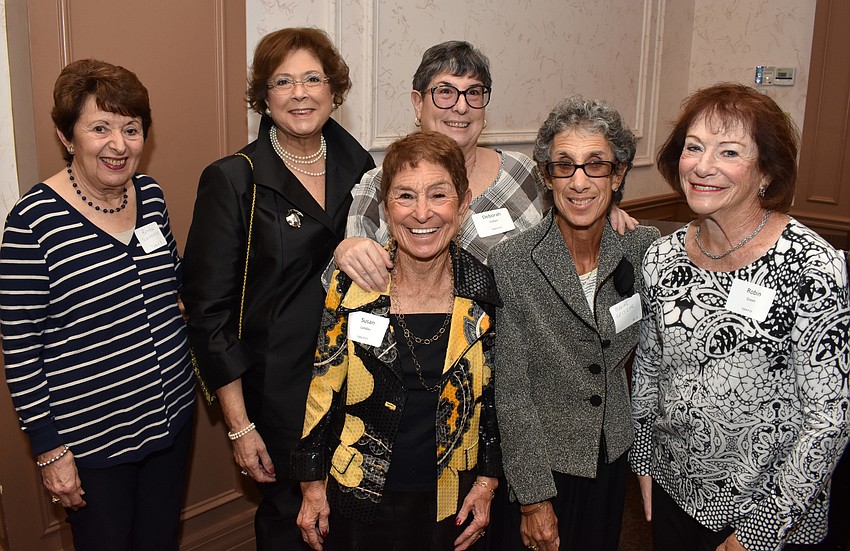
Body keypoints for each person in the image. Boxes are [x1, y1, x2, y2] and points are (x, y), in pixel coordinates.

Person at [630, 83, 850, 551]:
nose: (703, 166)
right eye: (694, 147)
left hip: (770, 514)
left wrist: (757, 531)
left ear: (767, 171)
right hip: (676, 494)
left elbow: (830, 419)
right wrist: (644, 461)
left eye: (729, 152)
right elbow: (649, 370)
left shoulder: (811, 266)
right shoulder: (663, 258)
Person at [181, 28, 375, 550]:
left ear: (334, 89)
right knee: (292, 523)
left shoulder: (362, 167)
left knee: (355, 518)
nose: (300, 93)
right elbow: (207, 313)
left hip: (361, 379)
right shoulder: (233, 179)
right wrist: (240, 426)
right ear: (263, 98)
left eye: (313, 78)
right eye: (282, 82)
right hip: (280, 395)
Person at [0, 59, 195, 550]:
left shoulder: (150, 195)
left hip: (171, 418)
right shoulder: (33, 222)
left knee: (158, 541)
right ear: (68, 137)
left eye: (131, 129)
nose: (119, 145)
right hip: (92, 441)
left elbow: (172, 284)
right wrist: (48, 450)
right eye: (100, 127)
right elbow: (20, 347)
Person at [292, 131, 502, 551]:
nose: (422, 213)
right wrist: (311, 485)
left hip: (451, 496)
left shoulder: (484, 292)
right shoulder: (352, 289)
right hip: (359, 492)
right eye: (405, 196)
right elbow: (322, 389)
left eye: (438, 195)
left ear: (462, 206)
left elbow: (495, 398)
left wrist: (487, 480)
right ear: (386, 208)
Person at [488, 96, 659, 551]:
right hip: (541, 465)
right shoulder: (514, 259)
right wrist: (534, 500)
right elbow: (511, 388)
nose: (579, 181)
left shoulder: (644, 248)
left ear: (618, 174)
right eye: (564, 166)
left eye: (595, 165)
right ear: (546, 176)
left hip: (611, 456)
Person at [333, 40, 637, 293]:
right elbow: (350, 282)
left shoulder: (523, 173)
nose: (461, 106)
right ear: (417, 103)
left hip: (520, 346)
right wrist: (348, 249)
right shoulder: (379, 183)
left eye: (473, 92)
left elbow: (572, 204)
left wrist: (605, 208)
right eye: (445, 92)